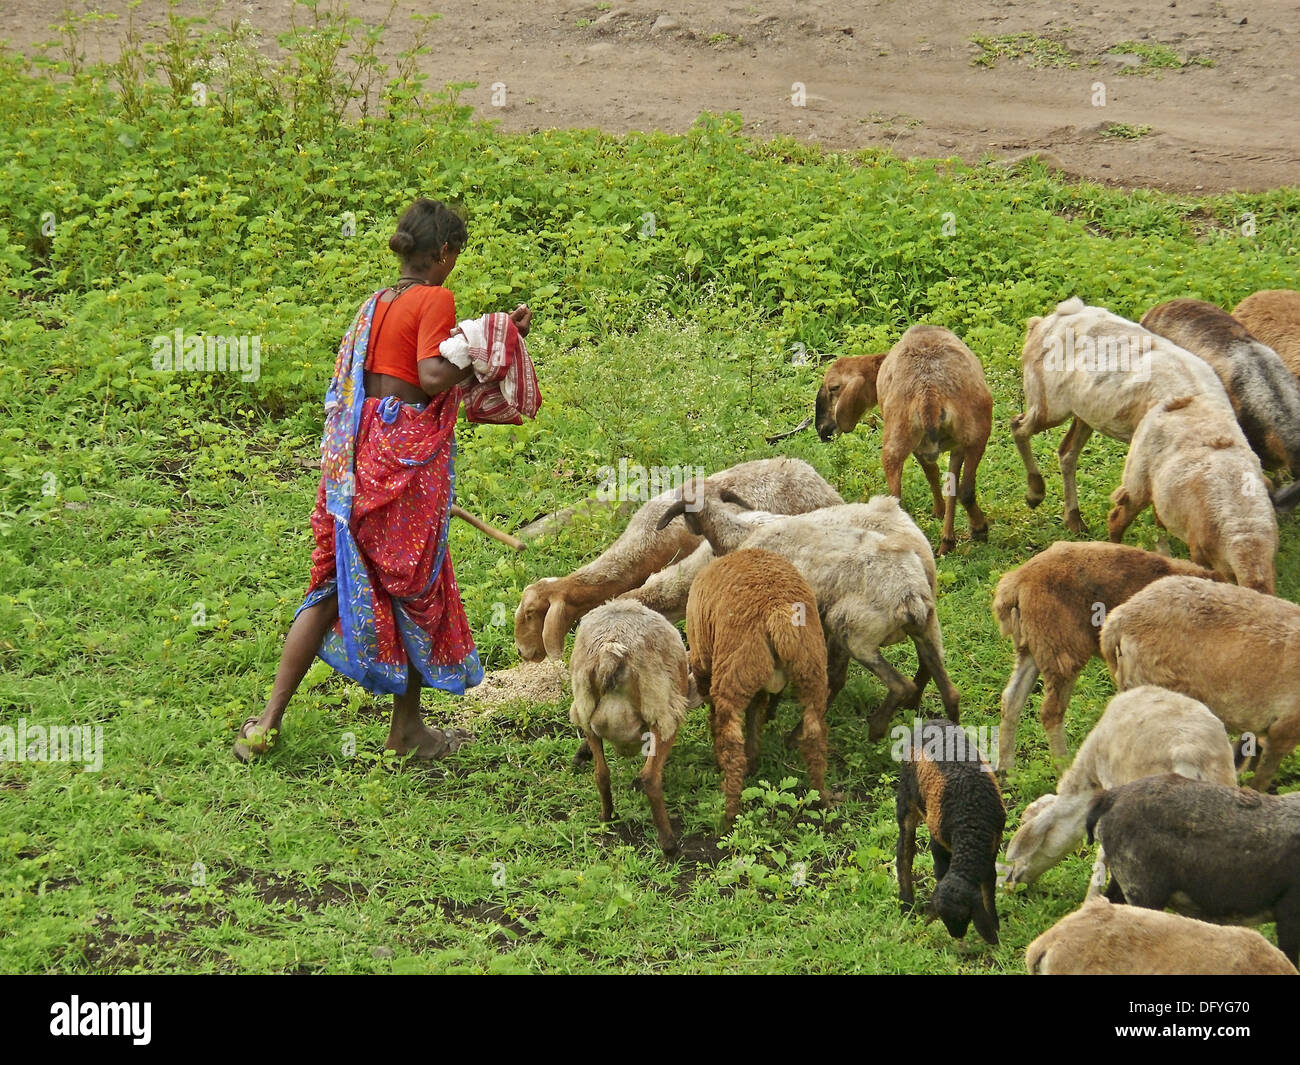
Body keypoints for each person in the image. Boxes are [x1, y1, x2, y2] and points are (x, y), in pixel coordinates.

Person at [235, 198, 534, 762]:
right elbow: (430, 374)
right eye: (456, 255)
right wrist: (489, 339)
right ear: (443, 253)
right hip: (402, 463)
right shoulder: (435, 297)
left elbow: (387, 377)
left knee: (329, 585)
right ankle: (406, 732)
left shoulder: (375, 304)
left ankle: (267, 724)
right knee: (416, 585)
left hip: (354, 458)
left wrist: (492, 336)